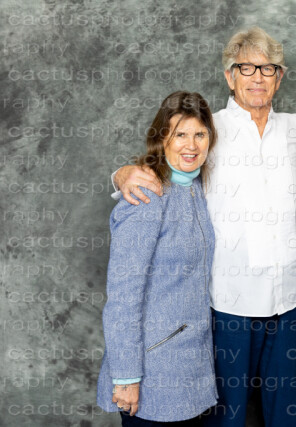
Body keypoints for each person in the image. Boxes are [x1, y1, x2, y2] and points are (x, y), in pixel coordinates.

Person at [110, 28, 296, 427]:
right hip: (229, 304)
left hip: (291, 303)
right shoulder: (209, 130)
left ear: (280, 76)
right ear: (229, 76)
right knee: (228, 416)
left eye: (268, 68)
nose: (257, 77)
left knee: (286, 416)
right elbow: (166, 162)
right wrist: (122, 174)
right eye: (246, 68)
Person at [96, 91, 218, 426]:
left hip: (190, 367)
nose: (191, 145)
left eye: (200, 134)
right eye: (180, 134)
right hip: (151, 372)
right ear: (162, 138)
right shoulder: (146, 197)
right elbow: (123, 296)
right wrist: (126, 376)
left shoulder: (195, 188)